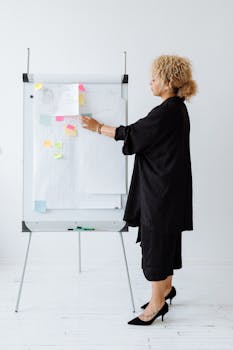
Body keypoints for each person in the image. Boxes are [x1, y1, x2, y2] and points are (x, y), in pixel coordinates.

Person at [79, 54, 197, 326]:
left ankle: (157, 304)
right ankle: (166, 289)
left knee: (156, 244)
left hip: (161, 192)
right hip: (169, 189)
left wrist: (97, 127)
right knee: (165, 240)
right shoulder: (177, 109)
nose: (150, 82)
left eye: (154, 78)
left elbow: (133, 134)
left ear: (168, 82)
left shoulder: (166, 112)